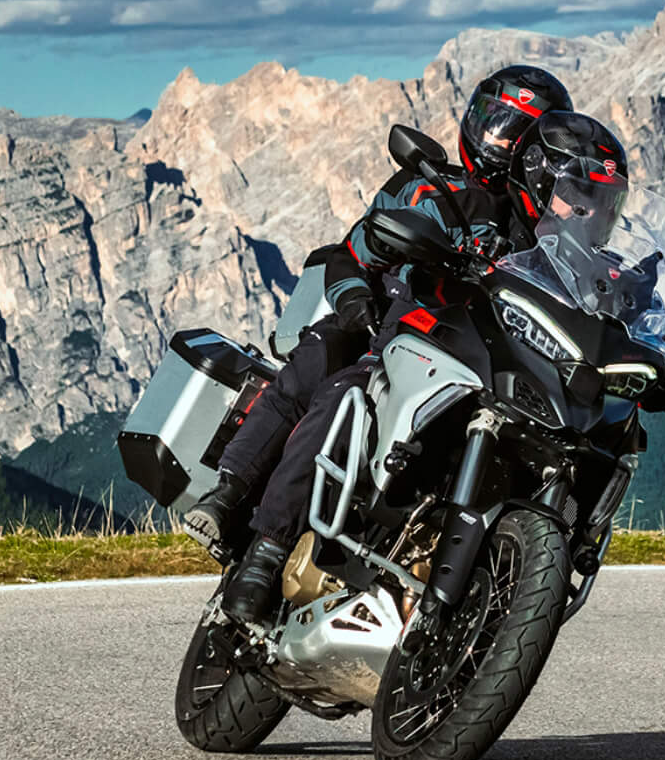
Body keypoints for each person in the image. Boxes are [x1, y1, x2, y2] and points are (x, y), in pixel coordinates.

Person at [221, 109, 634, 626]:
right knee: (346, 395)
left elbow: (614, 313)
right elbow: (369, 248)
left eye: (601, 201)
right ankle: (266, 551)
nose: (587, 210)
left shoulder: (579, 263)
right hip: (425, 350)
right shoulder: (464, 204)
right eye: (578, 195)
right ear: (540, 177)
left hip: (505, 381)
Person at [179, 64, 573, 557]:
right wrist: (354, 302)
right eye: (492, 121)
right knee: (325, 367)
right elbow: (352, 254)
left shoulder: (539, 232)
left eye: (514, 132)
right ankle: (246, 520)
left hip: (468, 357)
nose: (497, 140)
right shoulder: (425, 185)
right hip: (385, 327)